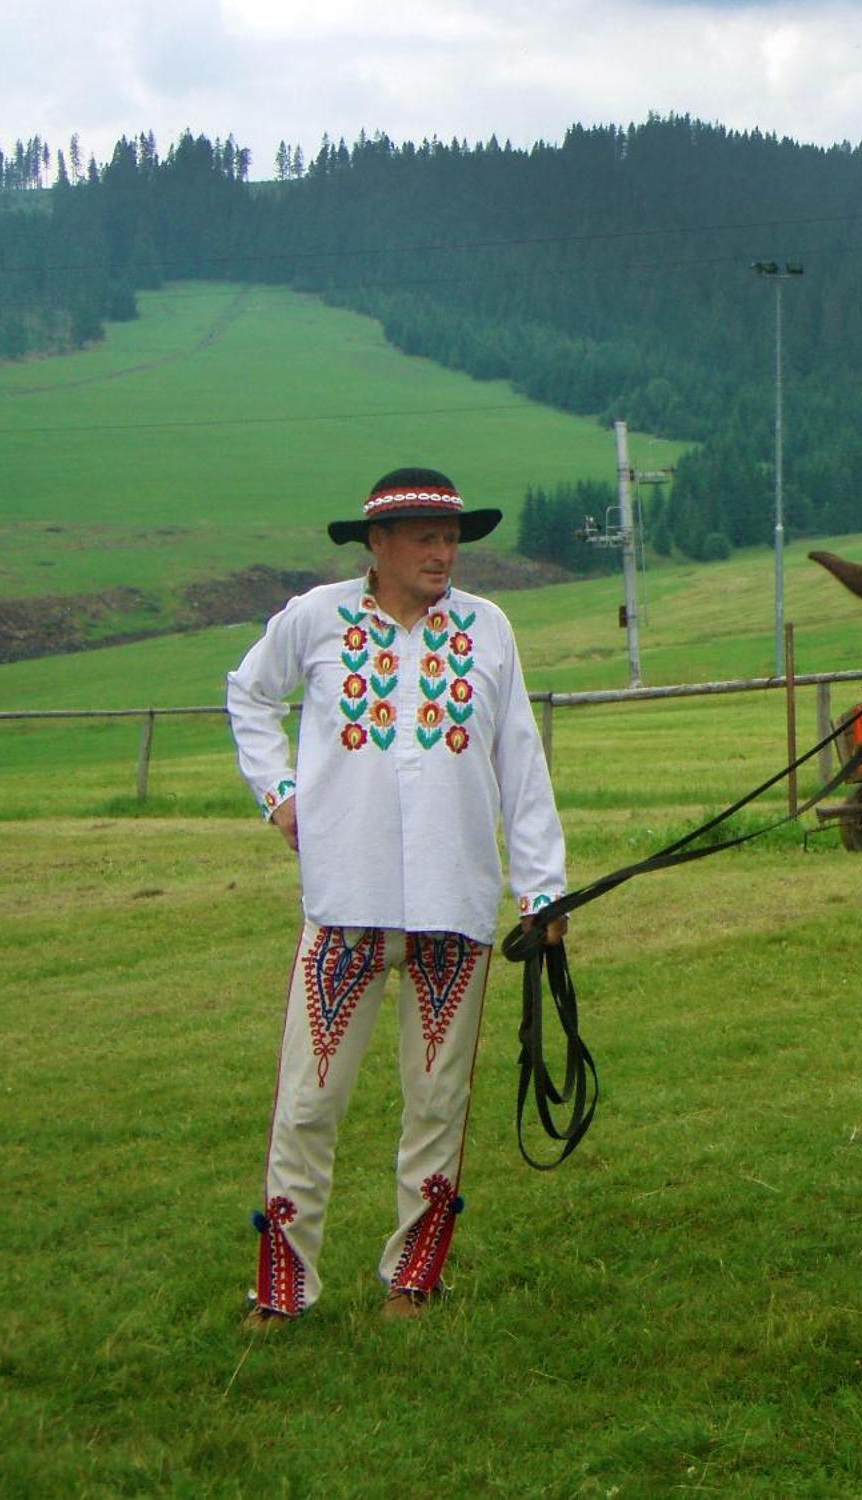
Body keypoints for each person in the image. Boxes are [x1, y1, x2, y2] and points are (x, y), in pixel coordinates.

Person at [225, 467, 568, 1326]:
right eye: (422, 535)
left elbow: (519, 762)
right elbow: (248, 692)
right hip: (344, 902)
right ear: (375, 546)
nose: (442, 551)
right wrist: (280, 795)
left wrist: (543, 890)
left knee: (438, 1102)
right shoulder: (316, 619)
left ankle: (414, 1278)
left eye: (450, 536)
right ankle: (282, 1286)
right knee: (308, 1101)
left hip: (456, 905)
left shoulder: (488, 631)